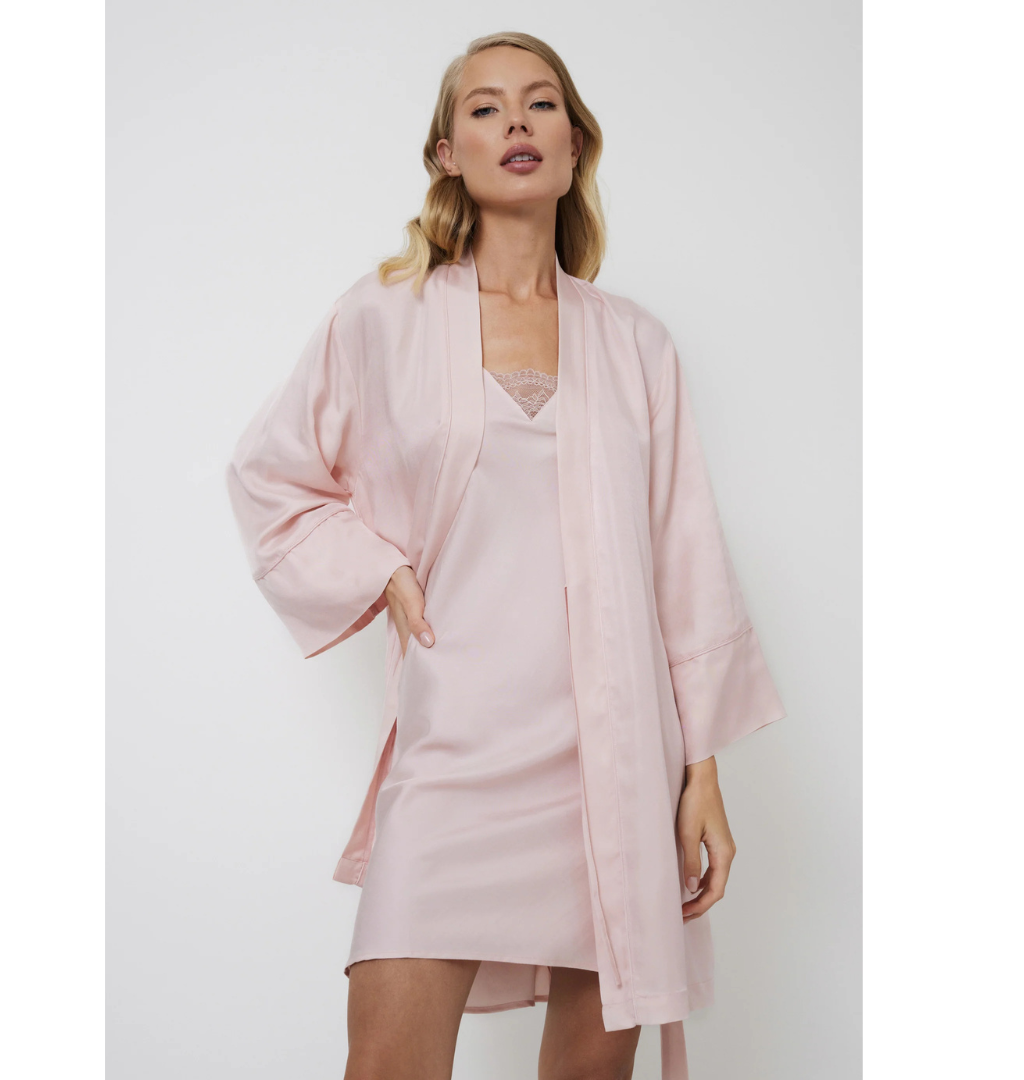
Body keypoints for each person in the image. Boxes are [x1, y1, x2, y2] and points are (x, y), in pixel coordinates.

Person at [226, 31, 786, 1080]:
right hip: (455, 750)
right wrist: (379, 569)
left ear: (575, 146)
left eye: (541, 103)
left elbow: (685, 559)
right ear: (447, 153)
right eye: (484, 108)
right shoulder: (381, 318)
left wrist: (700, 775)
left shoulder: (636, 344)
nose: (516, 121)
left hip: (613, 760)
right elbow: (271, 475)